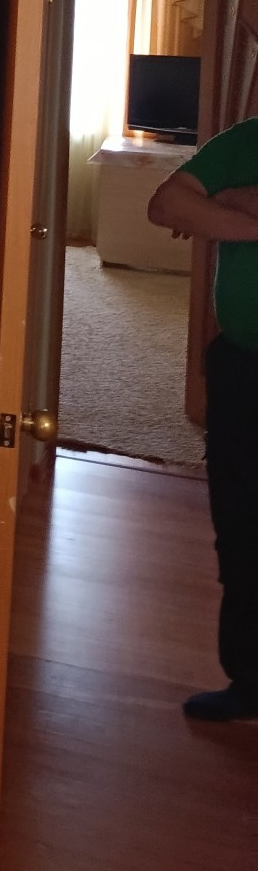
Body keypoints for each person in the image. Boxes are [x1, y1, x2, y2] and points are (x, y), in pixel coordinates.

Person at [148, 123, 258, 721]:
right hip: (241, 367)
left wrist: (224, 204)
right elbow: (167, 204)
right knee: (238, 525)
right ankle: (250, 683)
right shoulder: (245, 141)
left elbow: (197, 206)